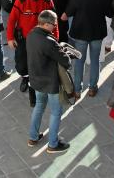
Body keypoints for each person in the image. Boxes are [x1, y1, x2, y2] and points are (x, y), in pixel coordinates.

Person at [26, 10, 71, 154]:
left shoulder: (31, 35)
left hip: (36, 80)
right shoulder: (48, 41)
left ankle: (33, 137)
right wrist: (64, 53)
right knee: (56, 112)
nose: (55, 26)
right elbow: (66, 62)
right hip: (51, 82)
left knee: (39, 106)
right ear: (46, 24)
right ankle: (53, 144)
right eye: (54, 24)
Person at [7, 0, 56, 107]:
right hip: (24, 40)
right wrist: (10, 38)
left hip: (42, 41)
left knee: (38, 66)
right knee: (22, 65)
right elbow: (12, 20)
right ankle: (25, 77)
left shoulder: (47, 0)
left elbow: (53, 22)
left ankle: (34, 91)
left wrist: (55, 39)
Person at [65, 0, 111, 97]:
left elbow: (68, 13)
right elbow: (109, 13)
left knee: (79, 61)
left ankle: (78, 90)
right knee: (95, 60)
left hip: (80, 34)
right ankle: (92, 88)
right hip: (97, 33)